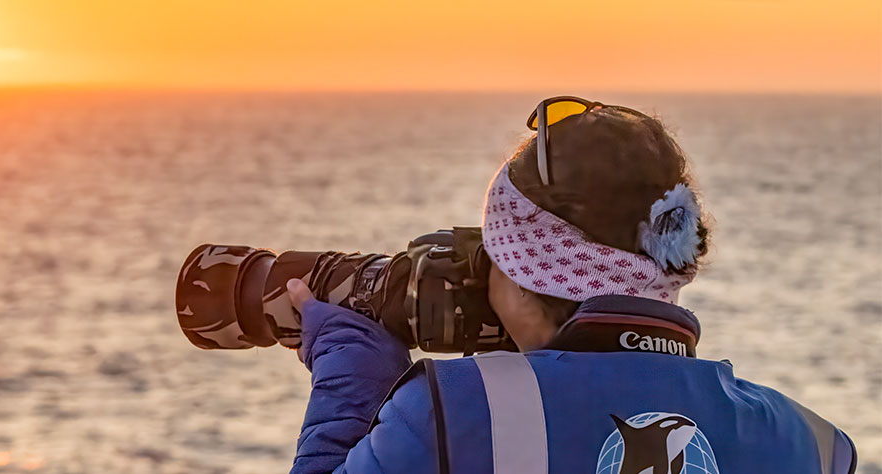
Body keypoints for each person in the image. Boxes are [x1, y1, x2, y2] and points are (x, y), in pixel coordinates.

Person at [286, 97, 857, 474]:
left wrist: (351, 375)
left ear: (524, 274)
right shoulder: (815, 445)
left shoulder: (448, 412)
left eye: (493, 257)